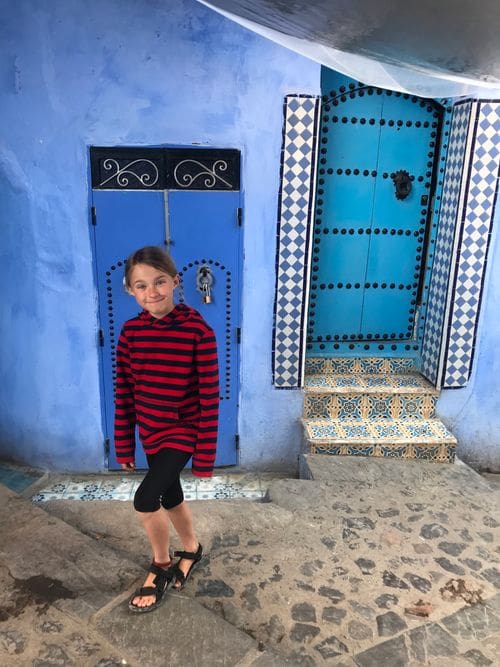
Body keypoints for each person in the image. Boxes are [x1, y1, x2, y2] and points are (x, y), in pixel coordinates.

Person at [114, 245, 219, 613]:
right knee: (170, 496)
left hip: (182, 431)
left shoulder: (197, 331)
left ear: (175, 281)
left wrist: (204, 457)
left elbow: (209, 396)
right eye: (140, 286)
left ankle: (159, 564)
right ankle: (191, 548)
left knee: (145, 500)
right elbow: (124, 394)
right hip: (150, 432)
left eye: (159, 282)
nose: (151, 292)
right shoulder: (129, 334)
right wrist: (124, 446)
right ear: (130, 290)